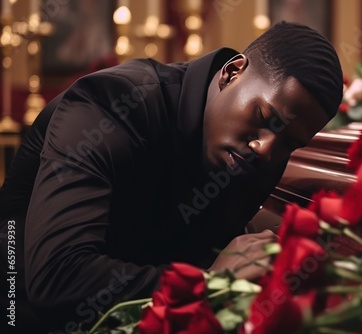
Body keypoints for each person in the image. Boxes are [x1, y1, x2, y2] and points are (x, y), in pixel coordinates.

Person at [0, 21, 343, 333]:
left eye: (289, 143)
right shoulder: (109, 105)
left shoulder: (260, 153)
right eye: (266, 117)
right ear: (233, 72)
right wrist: (211, 282)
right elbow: (57, 278)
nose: (266, 148)